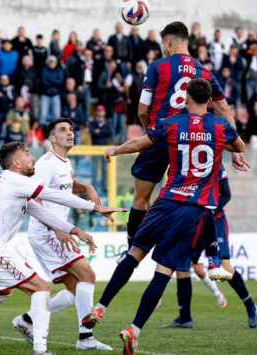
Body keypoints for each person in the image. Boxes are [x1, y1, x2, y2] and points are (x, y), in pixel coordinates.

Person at [83, 79, 246, 354]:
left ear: (185, 97)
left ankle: (100, 307)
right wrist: (221, 146)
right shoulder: (221, 127)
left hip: (166, 200)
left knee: (134, 253)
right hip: (192, 209)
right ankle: (133, 330)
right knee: (164, 271)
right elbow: (239, 147)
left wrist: (115, 149)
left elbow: (139, 143)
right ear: (209, 100)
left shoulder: (172, 123)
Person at [0, 141, 124, 355]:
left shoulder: (9, 184)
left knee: (0, 293)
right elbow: (54, 195)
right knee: (41, 288)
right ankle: (40, 350)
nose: (32, 157)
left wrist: (75, 231)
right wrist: (94, 206)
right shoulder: (15, 180)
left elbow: (44, 214)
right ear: (16, 163)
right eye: (27, 154)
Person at [122, 22, 244, 261]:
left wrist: (153, 134)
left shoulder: (157, 66)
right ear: (186, 41)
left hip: (161, 137)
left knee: (141, 198)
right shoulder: (206, 73)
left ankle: (131, 251)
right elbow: (225, 112)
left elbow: (143, 111)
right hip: (194, 141)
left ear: (168, 42)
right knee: (202, 197)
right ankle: (211, 255)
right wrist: (236, 151)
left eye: (163, 45)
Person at [12, 119, 112, 351]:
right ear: (52, 139)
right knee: (87, 274)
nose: (69, 133)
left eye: (71, 129)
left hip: (54, 231)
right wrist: (57, 228)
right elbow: (32, 195)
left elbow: (66, 185)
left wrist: (87, 187)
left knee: (75, 291)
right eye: (62, 130)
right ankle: (85, 338)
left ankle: (26, 320)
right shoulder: (47, 163)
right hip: (47, 231)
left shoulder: (64, 163)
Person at [163, 163, 257, 330]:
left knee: (225, 267)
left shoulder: (214, 162)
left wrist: (208, 212)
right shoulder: (183, 161)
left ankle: (250, 304)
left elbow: (226, 194)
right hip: (193, 221)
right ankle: (184, 318)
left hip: (215, 221)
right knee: (182, 267)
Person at [39, 56, 63, 125]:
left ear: (56, 63)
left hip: (55, 94)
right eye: (50, 62)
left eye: (53, 62)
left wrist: (49, 79)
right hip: (45, 94)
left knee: (56, 114)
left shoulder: (59, 70)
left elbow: (60, 81)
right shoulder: (44, 70)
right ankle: (42, 131)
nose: (51, 63)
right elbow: (44, 82)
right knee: (43, 114)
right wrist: (54, 81)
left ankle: (57, 130)